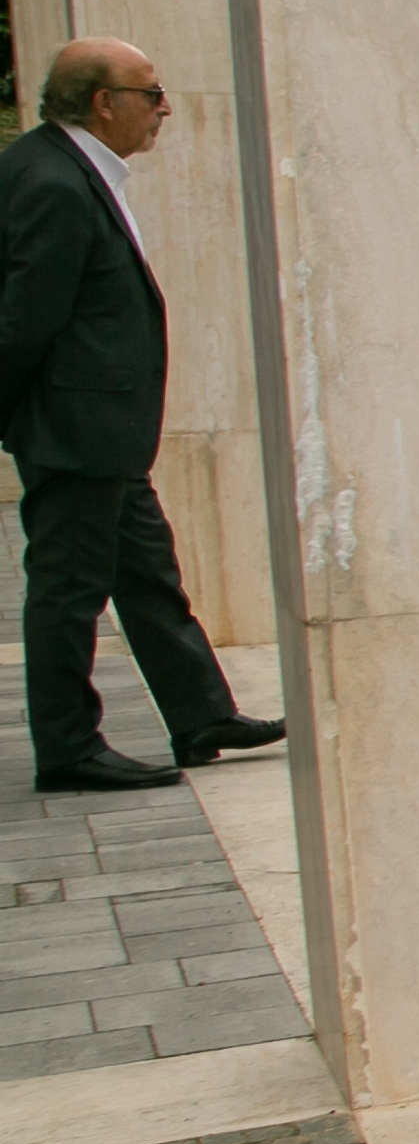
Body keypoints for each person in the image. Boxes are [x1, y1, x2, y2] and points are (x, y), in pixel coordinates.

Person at [0, 43, 284, 794]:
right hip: (76, 433)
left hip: (103, 435)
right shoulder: (54, 183)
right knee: (67, 589)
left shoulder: (63, 169)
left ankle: (201, 714)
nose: (163, 108)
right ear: (102, 101)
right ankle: (67, 746)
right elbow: (24, 321)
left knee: (148, 575)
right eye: (150, 93)